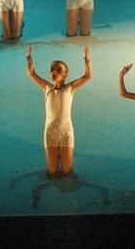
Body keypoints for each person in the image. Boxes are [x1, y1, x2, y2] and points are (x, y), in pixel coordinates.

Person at [25, 45, 92, 179]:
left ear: (65, 75)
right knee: (52, 172)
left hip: (66, 133)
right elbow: (32, 74)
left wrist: (87, 62)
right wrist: (30, 62)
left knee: (67, 171)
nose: (54, 72)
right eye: (52, 70)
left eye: (59, 70)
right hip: (50, 133)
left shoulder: (70, 88)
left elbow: (88, 76)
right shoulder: (47, 88)